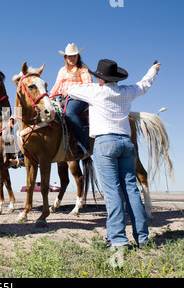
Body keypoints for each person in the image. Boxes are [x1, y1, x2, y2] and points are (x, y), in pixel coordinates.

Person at [68, 59, 161, 249]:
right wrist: (153, 69)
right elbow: (145, 84)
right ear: (116, 78)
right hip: (126, 144)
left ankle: (118, 240)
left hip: (105, 144)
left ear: (99, 78)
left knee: (112, 192)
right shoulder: (126, 91)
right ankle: (142, 238)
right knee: (131, 190)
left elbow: (70, 90)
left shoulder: (94, 91)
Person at [50, 43, 93, 159]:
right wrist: (49, 97)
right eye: (69, 56)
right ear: (65, 57)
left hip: (78, 98)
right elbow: (57, 85)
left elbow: (88, 85)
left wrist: (70, 91)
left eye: (74, 55)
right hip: (63, 99)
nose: (72, 58)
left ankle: (85, 145)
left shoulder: (83, 69)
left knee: (69, 113)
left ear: (78, 56)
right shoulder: (62, 70)